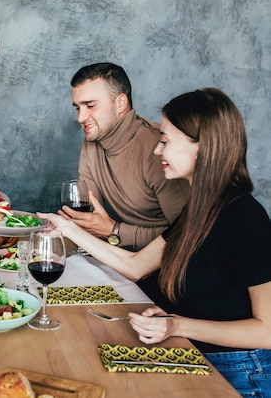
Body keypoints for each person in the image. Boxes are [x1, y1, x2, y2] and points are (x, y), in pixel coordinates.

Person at [39, 88, 271, 397]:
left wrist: (177, 326)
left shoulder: (245, 218)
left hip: (237, 372)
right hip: (191, 353)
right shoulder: (202, 208)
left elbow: (267, 330)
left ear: (202, 148)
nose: (157, 151)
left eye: (165, 141)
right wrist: (66, 228)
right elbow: (136, 266)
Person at [65, 62, 189, 251]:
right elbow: (88, 220)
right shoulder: (92, 141)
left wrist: (114, 231)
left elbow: (188, 234)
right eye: (77, 108)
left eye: (90, 105)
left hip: (169, 268)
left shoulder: (159, 149)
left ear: (120, 103)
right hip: (123, 259)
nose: (80, 118)